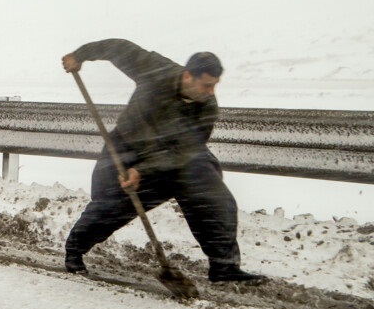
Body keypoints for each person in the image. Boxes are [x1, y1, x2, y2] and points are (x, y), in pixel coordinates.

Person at [61, 39, 266, 284]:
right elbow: (120, 48)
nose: (211, 92)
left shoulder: (206, 108)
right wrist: (80, 55)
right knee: (110, 205)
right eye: (207, 85)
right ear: (188, 76)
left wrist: (143, 170)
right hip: (126, 149)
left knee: (209, 189)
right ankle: (75, 249)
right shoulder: (156, 70)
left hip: (172, 160)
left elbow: (187, 152)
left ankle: (224, 267)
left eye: (215, 86)